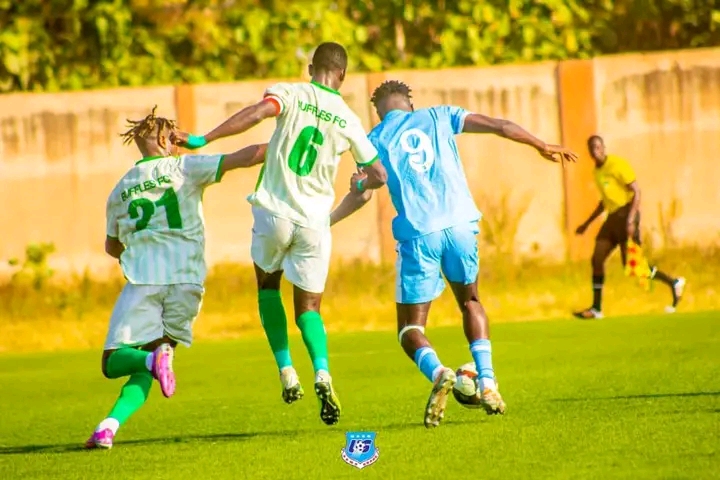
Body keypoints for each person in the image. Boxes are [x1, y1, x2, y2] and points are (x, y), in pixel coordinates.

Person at [330, 80, 577, 428]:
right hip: (461, 225)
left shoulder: (372, 140)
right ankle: (488, 382)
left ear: (378, 112)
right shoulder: (440, 115)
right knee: (471, 301)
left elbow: (367, 188)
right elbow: (499, 125)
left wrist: (339, 207)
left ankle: (439, 372)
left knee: (410, 329)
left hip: (420, 233)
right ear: (409, 103)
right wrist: (540, 144)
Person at [173, 42, 387, 426]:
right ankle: (322, 372)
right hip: (314, 222)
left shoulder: (290, 93)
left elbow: (257, 113)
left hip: (274, 212)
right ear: (342, 76)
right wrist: (360, 185)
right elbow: (378, 174)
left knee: (268, 288)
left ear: (311, 68)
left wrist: (204, 138)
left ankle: (287, 370)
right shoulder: (349, 119)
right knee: (309, 309)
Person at [86, 106, 267, 449]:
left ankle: (150, 361)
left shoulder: (120, 190)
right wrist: (279, 146)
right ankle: (108, 427)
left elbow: (112, 246)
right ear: (164, 140)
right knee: (152, 363)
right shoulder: (185, 168)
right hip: (188, 281)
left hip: (146, 280)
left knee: (113, 362)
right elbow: (244, 157)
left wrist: (137, 245)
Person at [573, 135, 685, 319]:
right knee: (597, 259)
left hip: (627, 214)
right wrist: (586, 224)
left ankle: (673, 283)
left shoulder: (617, 165)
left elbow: (636, 191)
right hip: (612, 218)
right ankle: (596, 308)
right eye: (592, 148)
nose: (595, 151)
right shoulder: (597, 172)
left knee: (634, 266)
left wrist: (631, 220)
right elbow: (604, 202)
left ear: (604, 147)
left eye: (598, 147)